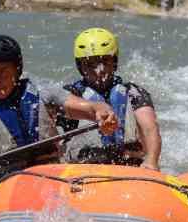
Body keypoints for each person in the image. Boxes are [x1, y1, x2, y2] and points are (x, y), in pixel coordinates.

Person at [0, 34, 118, 188]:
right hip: (0, 187)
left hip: (51, 181)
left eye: (2, 72)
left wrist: (102, 112)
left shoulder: (42, 93)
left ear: (17, 68)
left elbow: (88, 108)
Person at [54, 27, 162, 171]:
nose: (99, 69)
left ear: (115, 62)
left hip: (128, 165)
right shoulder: (69, 95)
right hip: (83, 168)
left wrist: (152, 161)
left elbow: (150, 128)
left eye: (105, 61)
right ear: (80, 66)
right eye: (89, 63)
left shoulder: (134, 93)